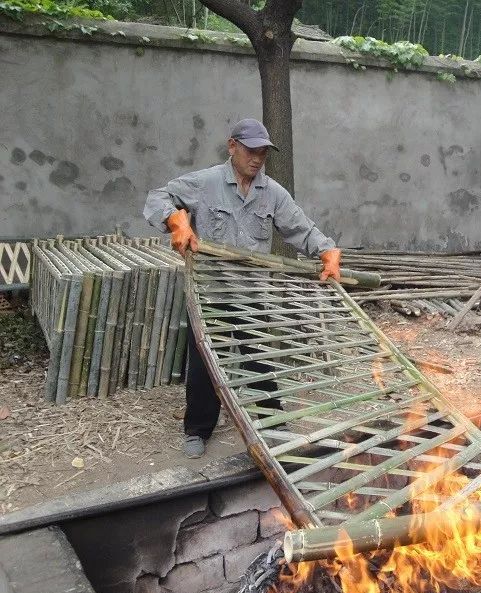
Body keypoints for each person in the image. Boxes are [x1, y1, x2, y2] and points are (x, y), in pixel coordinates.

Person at [143, 118, 341, 458]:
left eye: (263, 152)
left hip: (252, 294)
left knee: (259, 359)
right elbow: (157, 197)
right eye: (251, 150)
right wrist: (175, 219)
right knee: (204, 366)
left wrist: (327, 250)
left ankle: (272, 424)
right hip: (210, 293)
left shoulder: (272, 193)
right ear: (232, 146)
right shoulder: (205, 184)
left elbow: (300, 228)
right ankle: (198, 429)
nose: (257, 158)